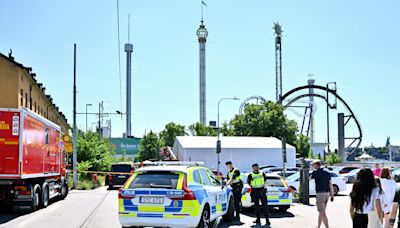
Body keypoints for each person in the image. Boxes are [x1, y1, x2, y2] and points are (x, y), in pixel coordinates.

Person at [311, 159, 334, 228]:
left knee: (322, 212)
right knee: (322, 212)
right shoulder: (327, 173)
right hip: (327, 194)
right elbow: (330, 184)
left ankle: (327, 227)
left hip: (320, 194)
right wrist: (332, 195)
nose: (312, 166)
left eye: (313, 165)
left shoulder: (315, 172)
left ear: (316, 165)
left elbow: (309, 179)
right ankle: (318, 226)